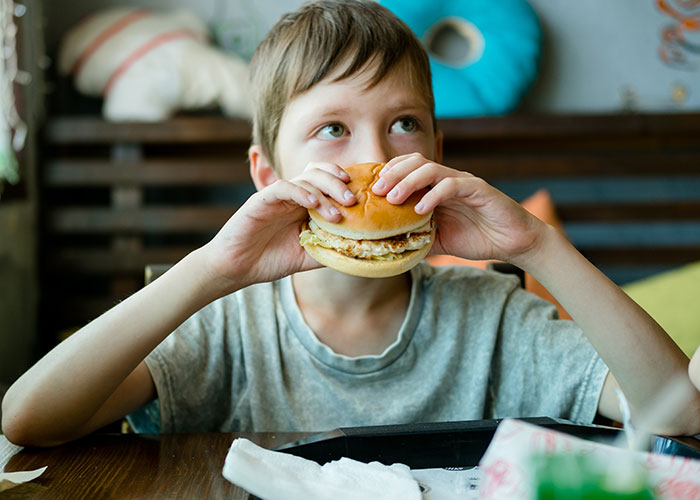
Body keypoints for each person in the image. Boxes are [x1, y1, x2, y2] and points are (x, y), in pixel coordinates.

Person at [3, 0, 699, 446]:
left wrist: (539, 246)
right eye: (333, 128)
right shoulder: (228, 327)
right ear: (269, 176)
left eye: (403, 125)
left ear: (435, 153)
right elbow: (28, 419)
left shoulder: (492, 318)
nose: (374, 159)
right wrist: (212, 269)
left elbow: (678, 412)